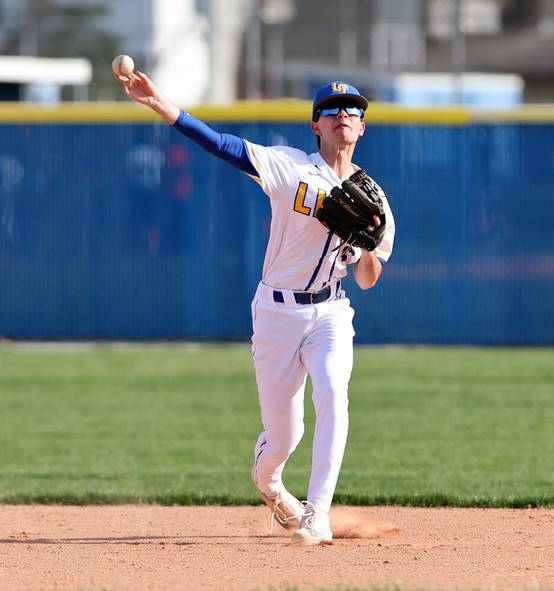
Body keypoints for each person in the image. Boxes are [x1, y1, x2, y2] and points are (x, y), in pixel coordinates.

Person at [116, 72, 395, 545]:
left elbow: (368, 280)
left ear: (363, 128)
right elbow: (221, 145)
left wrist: (364, 243)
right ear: (316, 126)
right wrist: (161, 103)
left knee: (333, 391)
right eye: (333, 110)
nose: (344, 116)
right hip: (276, 314)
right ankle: (268, 483)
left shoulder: (377, 202)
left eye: (353, 111)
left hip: (330, 312)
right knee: (284, 437)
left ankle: (317, 514)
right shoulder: (289, 167)